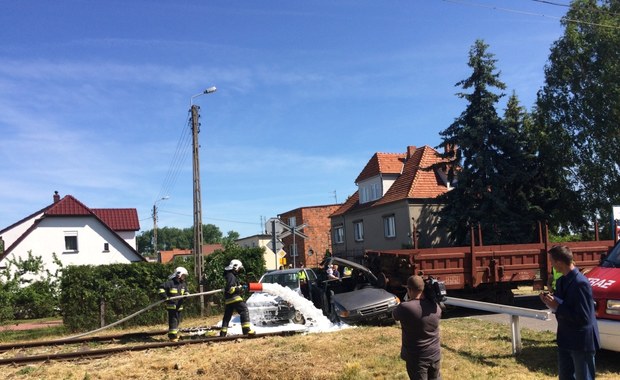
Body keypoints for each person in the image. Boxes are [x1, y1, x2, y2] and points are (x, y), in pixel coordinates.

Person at [539, 245, 599, 380]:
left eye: (552, 261)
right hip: (565, 338)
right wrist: (549, 302)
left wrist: (558, 307)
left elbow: (584, 317)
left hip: (580, 341)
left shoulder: (581, 283)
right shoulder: (561, 281)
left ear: (559, 262)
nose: (551, 265)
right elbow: (560, 305)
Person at [393, 275, 442, 380]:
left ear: (409, 289)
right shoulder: (436, 307)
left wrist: (407, 300)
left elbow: (395, 315)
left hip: (417, 357)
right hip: (434, 354)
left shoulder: (405, 307)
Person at [220, 259, 255, 337]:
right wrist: (239, 288)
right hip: (234, 298)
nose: (239, 270)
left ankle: (223, 333)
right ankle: (246, 330)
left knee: (227, 316)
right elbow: (230, 289)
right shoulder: (231, 276)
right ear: (235, 267)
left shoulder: (229, 275)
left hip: (228, 299)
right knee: (244, 310)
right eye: (239, 268)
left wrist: (240, 285)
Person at [158, 266, 189, 342]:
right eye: (183, 275)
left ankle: (174, 334)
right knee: (173, 321)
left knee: (177, 320)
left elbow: (186, 291)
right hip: (172, 306)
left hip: (179, 306)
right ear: (178, 275)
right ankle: (172, 337)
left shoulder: (183, 284)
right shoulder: (170, 283)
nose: (184, 277)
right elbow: (160, 289)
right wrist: (165, 297)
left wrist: (186, 294)